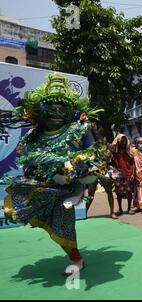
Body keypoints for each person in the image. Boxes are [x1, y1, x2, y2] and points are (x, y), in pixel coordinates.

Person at [1, 73, 106, 274]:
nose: (57, 112)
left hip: (69, 187)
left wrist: (79, 163)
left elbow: (94, 152)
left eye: (62, 108)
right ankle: (75, 257)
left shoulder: (78, 128)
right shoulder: (34, 135)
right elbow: (27, 160)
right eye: (52, 108)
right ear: (42, 111)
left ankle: (77, 260)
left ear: (69, 111)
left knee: (62, 219)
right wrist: (38, 168)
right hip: (44, 186)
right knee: (41, 217)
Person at [108, 134, 135, 216]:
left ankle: (129, 208)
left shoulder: (129, 150)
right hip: (118, 173)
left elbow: (133, 163)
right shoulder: (115, 151)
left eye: (125, 141)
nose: (123, 143)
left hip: (128, 173)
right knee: (118, 192)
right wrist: (111, 150)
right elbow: (106, 158)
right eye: (121, 141)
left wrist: (133, 173)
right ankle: (120, 209)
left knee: (129, 192)